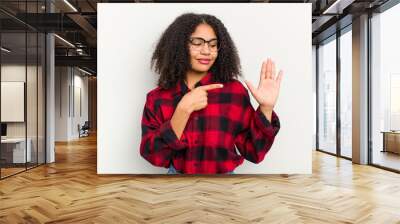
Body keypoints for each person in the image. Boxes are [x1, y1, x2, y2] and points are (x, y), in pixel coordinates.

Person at [139, 12, 282, 175]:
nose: (207, 51)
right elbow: (154, 156)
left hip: (225, 187)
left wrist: (266, 108)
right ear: (179, 45)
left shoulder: (234, 91)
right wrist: (182, 111)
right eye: (197, 43)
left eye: (213, 45)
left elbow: (254, 152)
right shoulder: (158, 98)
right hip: (177, 185)